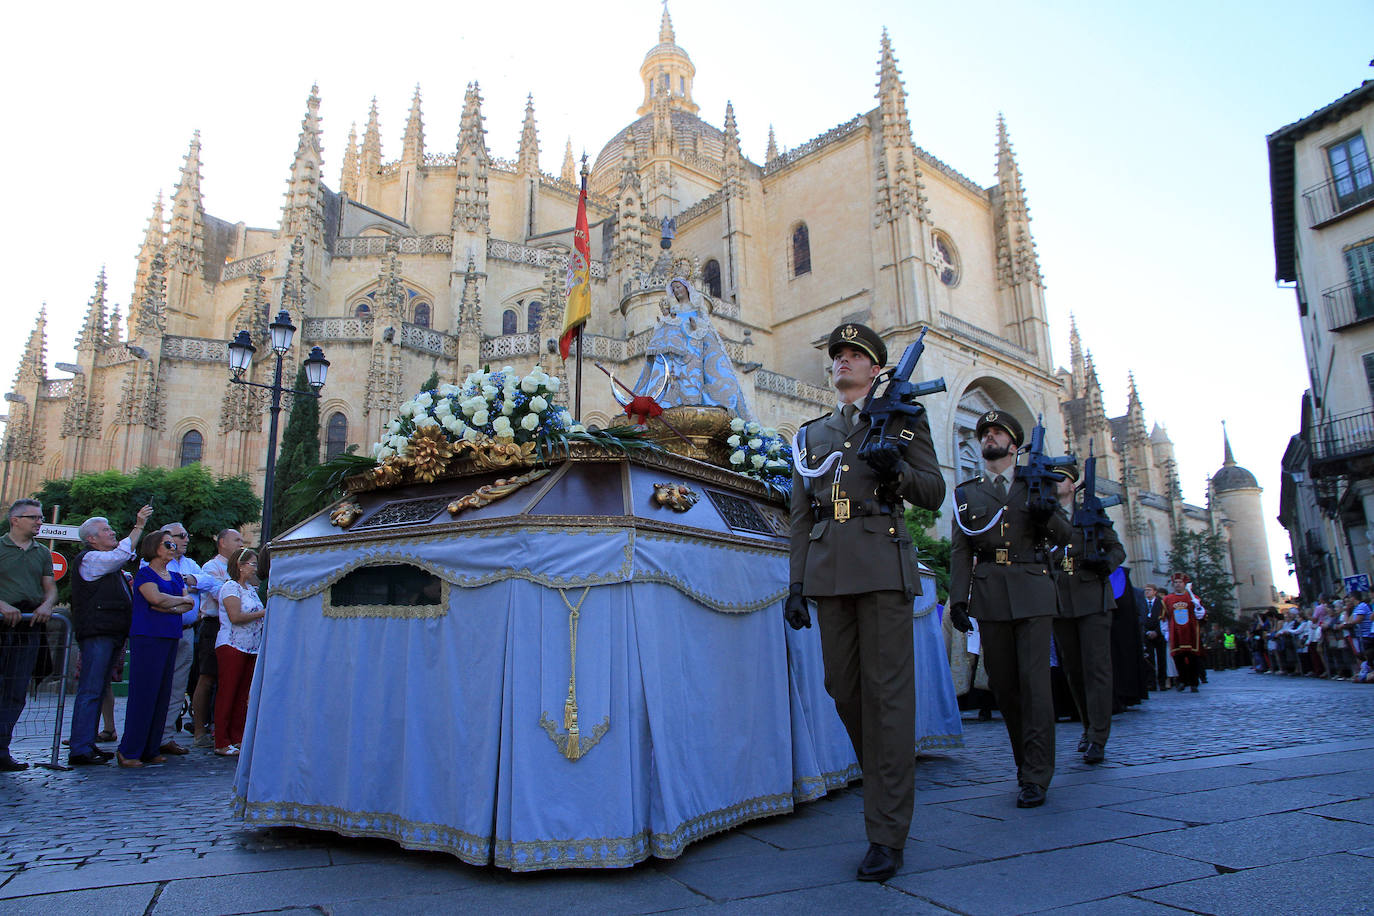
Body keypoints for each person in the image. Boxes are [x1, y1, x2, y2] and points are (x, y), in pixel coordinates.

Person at [785, 322, 944, 882]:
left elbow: (933, 491)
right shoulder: (811, 434)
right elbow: (801, 515)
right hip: (829, 573)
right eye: (837, 355)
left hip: (880, 565)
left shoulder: (904, 418)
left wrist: (895, 470)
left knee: (888, 701)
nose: (843, 361)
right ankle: (883, 774)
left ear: (876, 369)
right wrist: (796, 585)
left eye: (854, 355)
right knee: (845, 691)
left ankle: (886, 832)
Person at [949, 411, 1073, 809]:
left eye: (997, 432)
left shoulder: (1035, 484)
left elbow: (1066, 536)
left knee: (1035, 685)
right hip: (990, 595)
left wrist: (1047, 513)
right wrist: (959, 599)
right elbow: (960, 550)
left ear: (1014, 445)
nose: (989, 436)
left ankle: (1036, 774)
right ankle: (1025, 763)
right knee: (1003, 685)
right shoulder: (967, 493)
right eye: (985, 432)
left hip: (1033, 589)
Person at [1048, 462, 1126, 765]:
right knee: (1074, 670)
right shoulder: (1046, 514)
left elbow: (1117, 549)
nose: (1055, 483)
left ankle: (1098, 737)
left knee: (1097, 669)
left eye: (1061, 479)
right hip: (1060, 598)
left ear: (1073, 485)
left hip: (1093, 596)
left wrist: (1105, 564)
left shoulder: (1091, 512)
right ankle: (1087, 726)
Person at [66, 507, 153, 765]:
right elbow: (121, 555)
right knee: (91, 689)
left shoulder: (105, 562)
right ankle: (80, 747)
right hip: (98, 632)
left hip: (110, 631)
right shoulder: (91, 559)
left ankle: (86, 743)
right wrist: (138, 526)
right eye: (106, 530)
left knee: (98, 688)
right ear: (91, 539)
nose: (112, 532)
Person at [117, 532, 194, 767]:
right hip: (148, 636)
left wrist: (169, 604)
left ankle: (151, 747)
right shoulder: (145, 573)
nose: (173, 547)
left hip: (170, 634)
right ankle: (129, 750)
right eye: (168, 544)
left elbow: (187, 604)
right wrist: (175, 602)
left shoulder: (175, 576)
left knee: (162, 693)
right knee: (144, 693)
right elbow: (155, 599)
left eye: (173, 544)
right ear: (154, 547)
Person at [632, 277, 751, 417]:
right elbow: (670, 325)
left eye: (679, 287)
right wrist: (664, 320)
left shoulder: (696, 305)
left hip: (694, 349)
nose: (677, 291)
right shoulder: (674, 309)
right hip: (676, 351)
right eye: (674, 289)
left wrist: (695, 326)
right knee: (670, 375)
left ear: (686, 288)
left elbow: (705, 325)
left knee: (694, 380)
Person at [0, 499, 58, 771]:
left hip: (28, 625)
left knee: (16, 690)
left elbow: (50, 588)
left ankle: (2, 749)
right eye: (34, 517)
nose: (39, 522)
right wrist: (2, 606)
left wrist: (47, 605)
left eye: (41, 517)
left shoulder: (42, 552)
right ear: (15, 520)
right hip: (2, 623)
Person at [191, 528, 242, 748]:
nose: (241, 543)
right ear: (222, 542)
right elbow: (219, 594)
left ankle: (222, 727)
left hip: (236, 628)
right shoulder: (212, 567)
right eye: (236, 539)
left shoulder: (240, 568)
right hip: (214, 625)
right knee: (207, 676)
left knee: (229, 679)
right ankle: (199, 729)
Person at [155, 522, 203, 755]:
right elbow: (163, 594)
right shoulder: (151, 565)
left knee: (178, 685)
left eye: (186, 535)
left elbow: (210, 582)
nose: (185, 539)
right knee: (158, 683)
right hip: (163, 630)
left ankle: (165, 735)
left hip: (187, 629)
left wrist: (192, 583)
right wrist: (187, 588)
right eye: (180, 536)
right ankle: (151, 733)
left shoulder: (191, 564)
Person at [214, 549, 265, 757]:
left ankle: (237, 736)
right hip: (232, 645)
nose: (255, 568)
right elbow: (235, 616)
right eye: (252, 564)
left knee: (243, 693)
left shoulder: (250, 589)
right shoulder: (230, 587)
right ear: (240, 566)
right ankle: (221, 740)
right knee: (228, 692)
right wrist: (263, 613)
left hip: (251, 646)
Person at [1162, 572, 1206, 692]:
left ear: (1184, 583)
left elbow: (1201, 615)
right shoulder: (1167, 599)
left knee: (1193, 658)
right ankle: (1182, 681)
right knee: (1178, 658)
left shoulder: (1193, 598)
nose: (1177, 584)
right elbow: (1164, 618)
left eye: (1180, 582)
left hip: (1190, 632)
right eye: (1175, 582)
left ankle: (1194, 683)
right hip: (1175, 632)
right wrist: (1165, 632)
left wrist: (1199, 608)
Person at [1141, 583, 1168, 689]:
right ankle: (1151, 682)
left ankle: (1162, 682)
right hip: (1147, 634)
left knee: (1161, 659)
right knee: (1149, 658)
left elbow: (1163, 618)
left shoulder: (1160, 603)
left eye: (1149, 590)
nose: (1147, 592)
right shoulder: (1142, 603)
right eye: (1145, 590)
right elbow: (1140, 619)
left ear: (1155, 592)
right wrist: (1146, 631)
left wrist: (1157, 631)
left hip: (1159, 634)